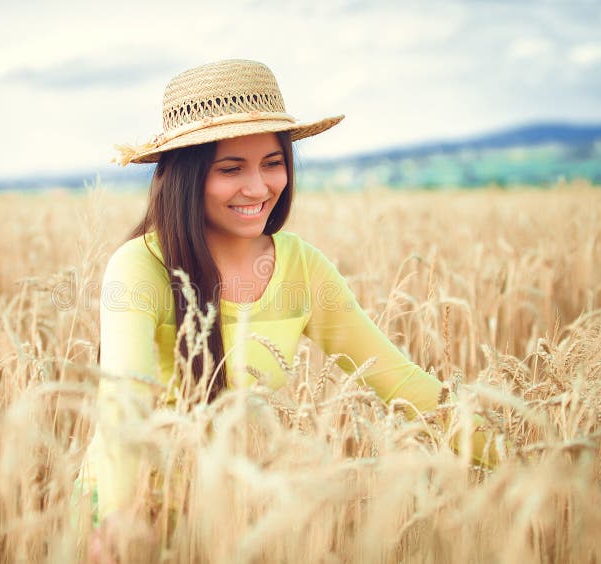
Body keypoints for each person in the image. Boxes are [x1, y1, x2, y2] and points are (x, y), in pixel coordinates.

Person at [79, 59, 495, 537]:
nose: (258, 187)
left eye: (272, 163)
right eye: (231, 168)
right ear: (185, 177)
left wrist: (527, 461)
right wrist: (114, 523)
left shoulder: (302, 266)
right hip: (124, 518)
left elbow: (400, 381)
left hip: (229, 521)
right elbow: (122, 407)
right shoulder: (139, 267)